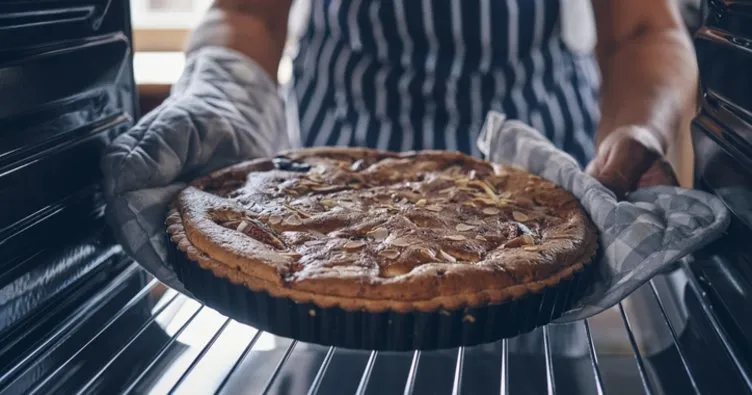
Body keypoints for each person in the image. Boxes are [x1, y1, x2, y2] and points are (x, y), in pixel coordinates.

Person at [102, 0, 697, 292]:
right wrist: (219, 94)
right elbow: (249, 12)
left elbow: (644, 29)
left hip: (532, 188)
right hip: (326, 213)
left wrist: (639, 128)